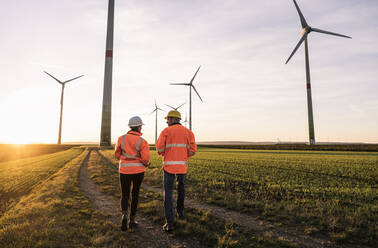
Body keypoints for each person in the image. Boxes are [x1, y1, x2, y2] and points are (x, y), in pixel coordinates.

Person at [156, 110, 197, 232]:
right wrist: (183, 156)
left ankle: (170, 223)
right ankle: (180, 212)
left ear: (173, 119)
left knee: (168, 193)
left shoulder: (166, 131)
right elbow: (193, 150)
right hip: (182, 167)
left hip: (168, 166)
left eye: (168, 119)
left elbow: (159, 148)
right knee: (181, 190)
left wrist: (166, 153)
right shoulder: (188, 132)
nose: (167, 121)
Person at [114, 116, 151, 231]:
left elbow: (116, 154)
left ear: (130, 126)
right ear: (139, 127)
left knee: (125, 194)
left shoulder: (121, 139)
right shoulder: (143, 141)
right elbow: (145, 159)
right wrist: (147, 163)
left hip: (124, 170)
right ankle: (132, 220)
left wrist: (124, 159)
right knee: (135, 194)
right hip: (138, 171)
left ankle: (124, 215)